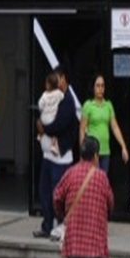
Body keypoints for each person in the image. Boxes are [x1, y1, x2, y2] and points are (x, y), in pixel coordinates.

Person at [34, 65, 79, 241]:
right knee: (44, 189)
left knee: (58, 193)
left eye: (58, 78)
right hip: (47, 155)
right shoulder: (52, 96)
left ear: (64, 79)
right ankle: (47, 224)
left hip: (61, 157)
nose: (56, 82)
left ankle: (61, 225)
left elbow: (60, 124)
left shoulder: (67, 100)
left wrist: (43, 129)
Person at [79, 73, 129, 174]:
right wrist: (82, 152)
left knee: (103, 181)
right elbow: (82, 129)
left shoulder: (108, 105)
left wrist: (123, 146)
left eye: (102, 85)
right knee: (93, 181)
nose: (100, 88)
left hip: (105, 151)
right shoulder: (88, 105)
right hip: (92, 152)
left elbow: (114, 127)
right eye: (98, 85)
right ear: (93, 87)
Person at [38, 72, 63, 157]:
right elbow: (63, 99)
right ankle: (53, 144)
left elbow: (40, 105)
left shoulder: (45, 95)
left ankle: (40, 135)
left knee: (41, 124)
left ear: (49, 84)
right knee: (54, 132)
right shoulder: (59, 93)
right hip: (53, 117)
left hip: (44, 118)